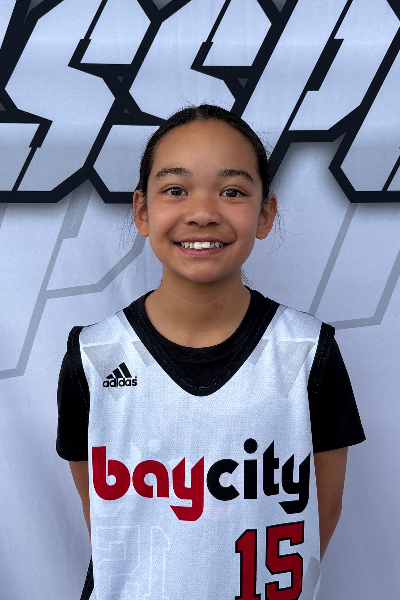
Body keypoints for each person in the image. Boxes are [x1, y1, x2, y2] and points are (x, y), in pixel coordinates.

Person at [57, 105, 365, 600]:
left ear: (265, 214)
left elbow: (323, 512)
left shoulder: (308, 351)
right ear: (142, 211)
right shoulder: (94, 357)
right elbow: (106, 517)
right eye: (175, 190)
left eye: (232, 191)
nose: (202, 213)